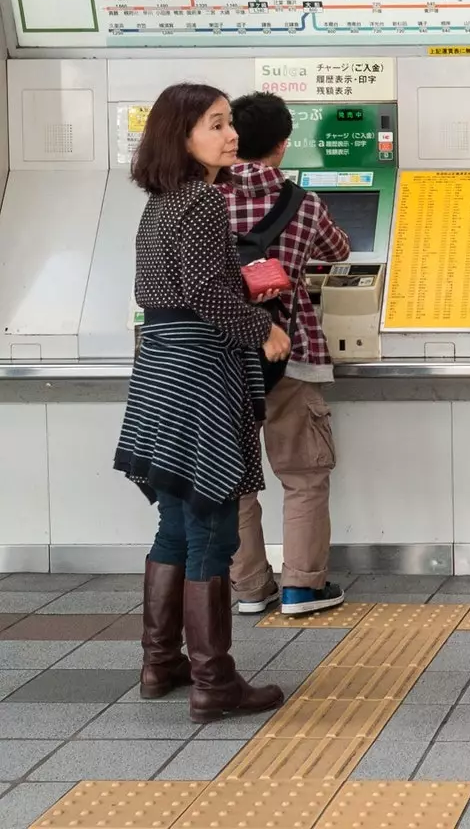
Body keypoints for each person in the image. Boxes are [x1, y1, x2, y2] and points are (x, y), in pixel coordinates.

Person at [113, 83, 289, 724]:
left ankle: (161, 662)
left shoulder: (160, 203)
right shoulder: (203, 203)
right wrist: (263, 328)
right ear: (181, 135)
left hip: (159, 370)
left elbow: (166, 287)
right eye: (215, 125)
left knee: (175, 524)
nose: (230, 134)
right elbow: (208, 296)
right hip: (198, 376)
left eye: (229, 124)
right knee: (213, 527)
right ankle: (214, 683)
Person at [224, 92, 352, 617]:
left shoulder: (203, 199)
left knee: (232, 479)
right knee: (303, 475)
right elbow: (340, 251)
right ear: (282, 144)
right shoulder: (303, 202)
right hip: (291, 353)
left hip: (223, 356)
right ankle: (302, 587)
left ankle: (250, 589)